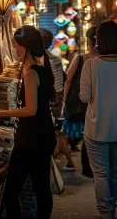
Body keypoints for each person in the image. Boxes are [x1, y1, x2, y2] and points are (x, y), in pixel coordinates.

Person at [0, 25, 56, 219]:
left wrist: (0, 113)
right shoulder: (34, 70)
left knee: (14, 191)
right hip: (37, 137)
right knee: (40, 188)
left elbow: (31, 110)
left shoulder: (31, 73)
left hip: (33, 140)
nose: (14, 48)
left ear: (23, 46)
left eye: (15, 44)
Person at [80, 21, 117, 219]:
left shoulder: (90, 65)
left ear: (99, 41)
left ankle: (105, 213)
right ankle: (111, 209)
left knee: (101, 175)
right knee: (113, 174)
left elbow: (84, 97)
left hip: (95, 130)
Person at [39, 28, 75, 170]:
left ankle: (46, 165)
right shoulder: (55, 58)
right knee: (57, 133)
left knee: (46, 134)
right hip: (56, 101)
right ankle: (69, 161)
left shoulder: (39, 61)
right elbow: (61, 83)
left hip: (46, 102)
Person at [63, 26, 98, 170]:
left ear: (88, 40)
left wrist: (65, 101)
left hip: (78, 102)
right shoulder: (105, 61)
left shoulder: (81, 57)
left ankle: (72, 162)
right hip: (96, 104)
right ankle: (93, 163)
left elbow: (69, 80)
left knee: (67, 132)